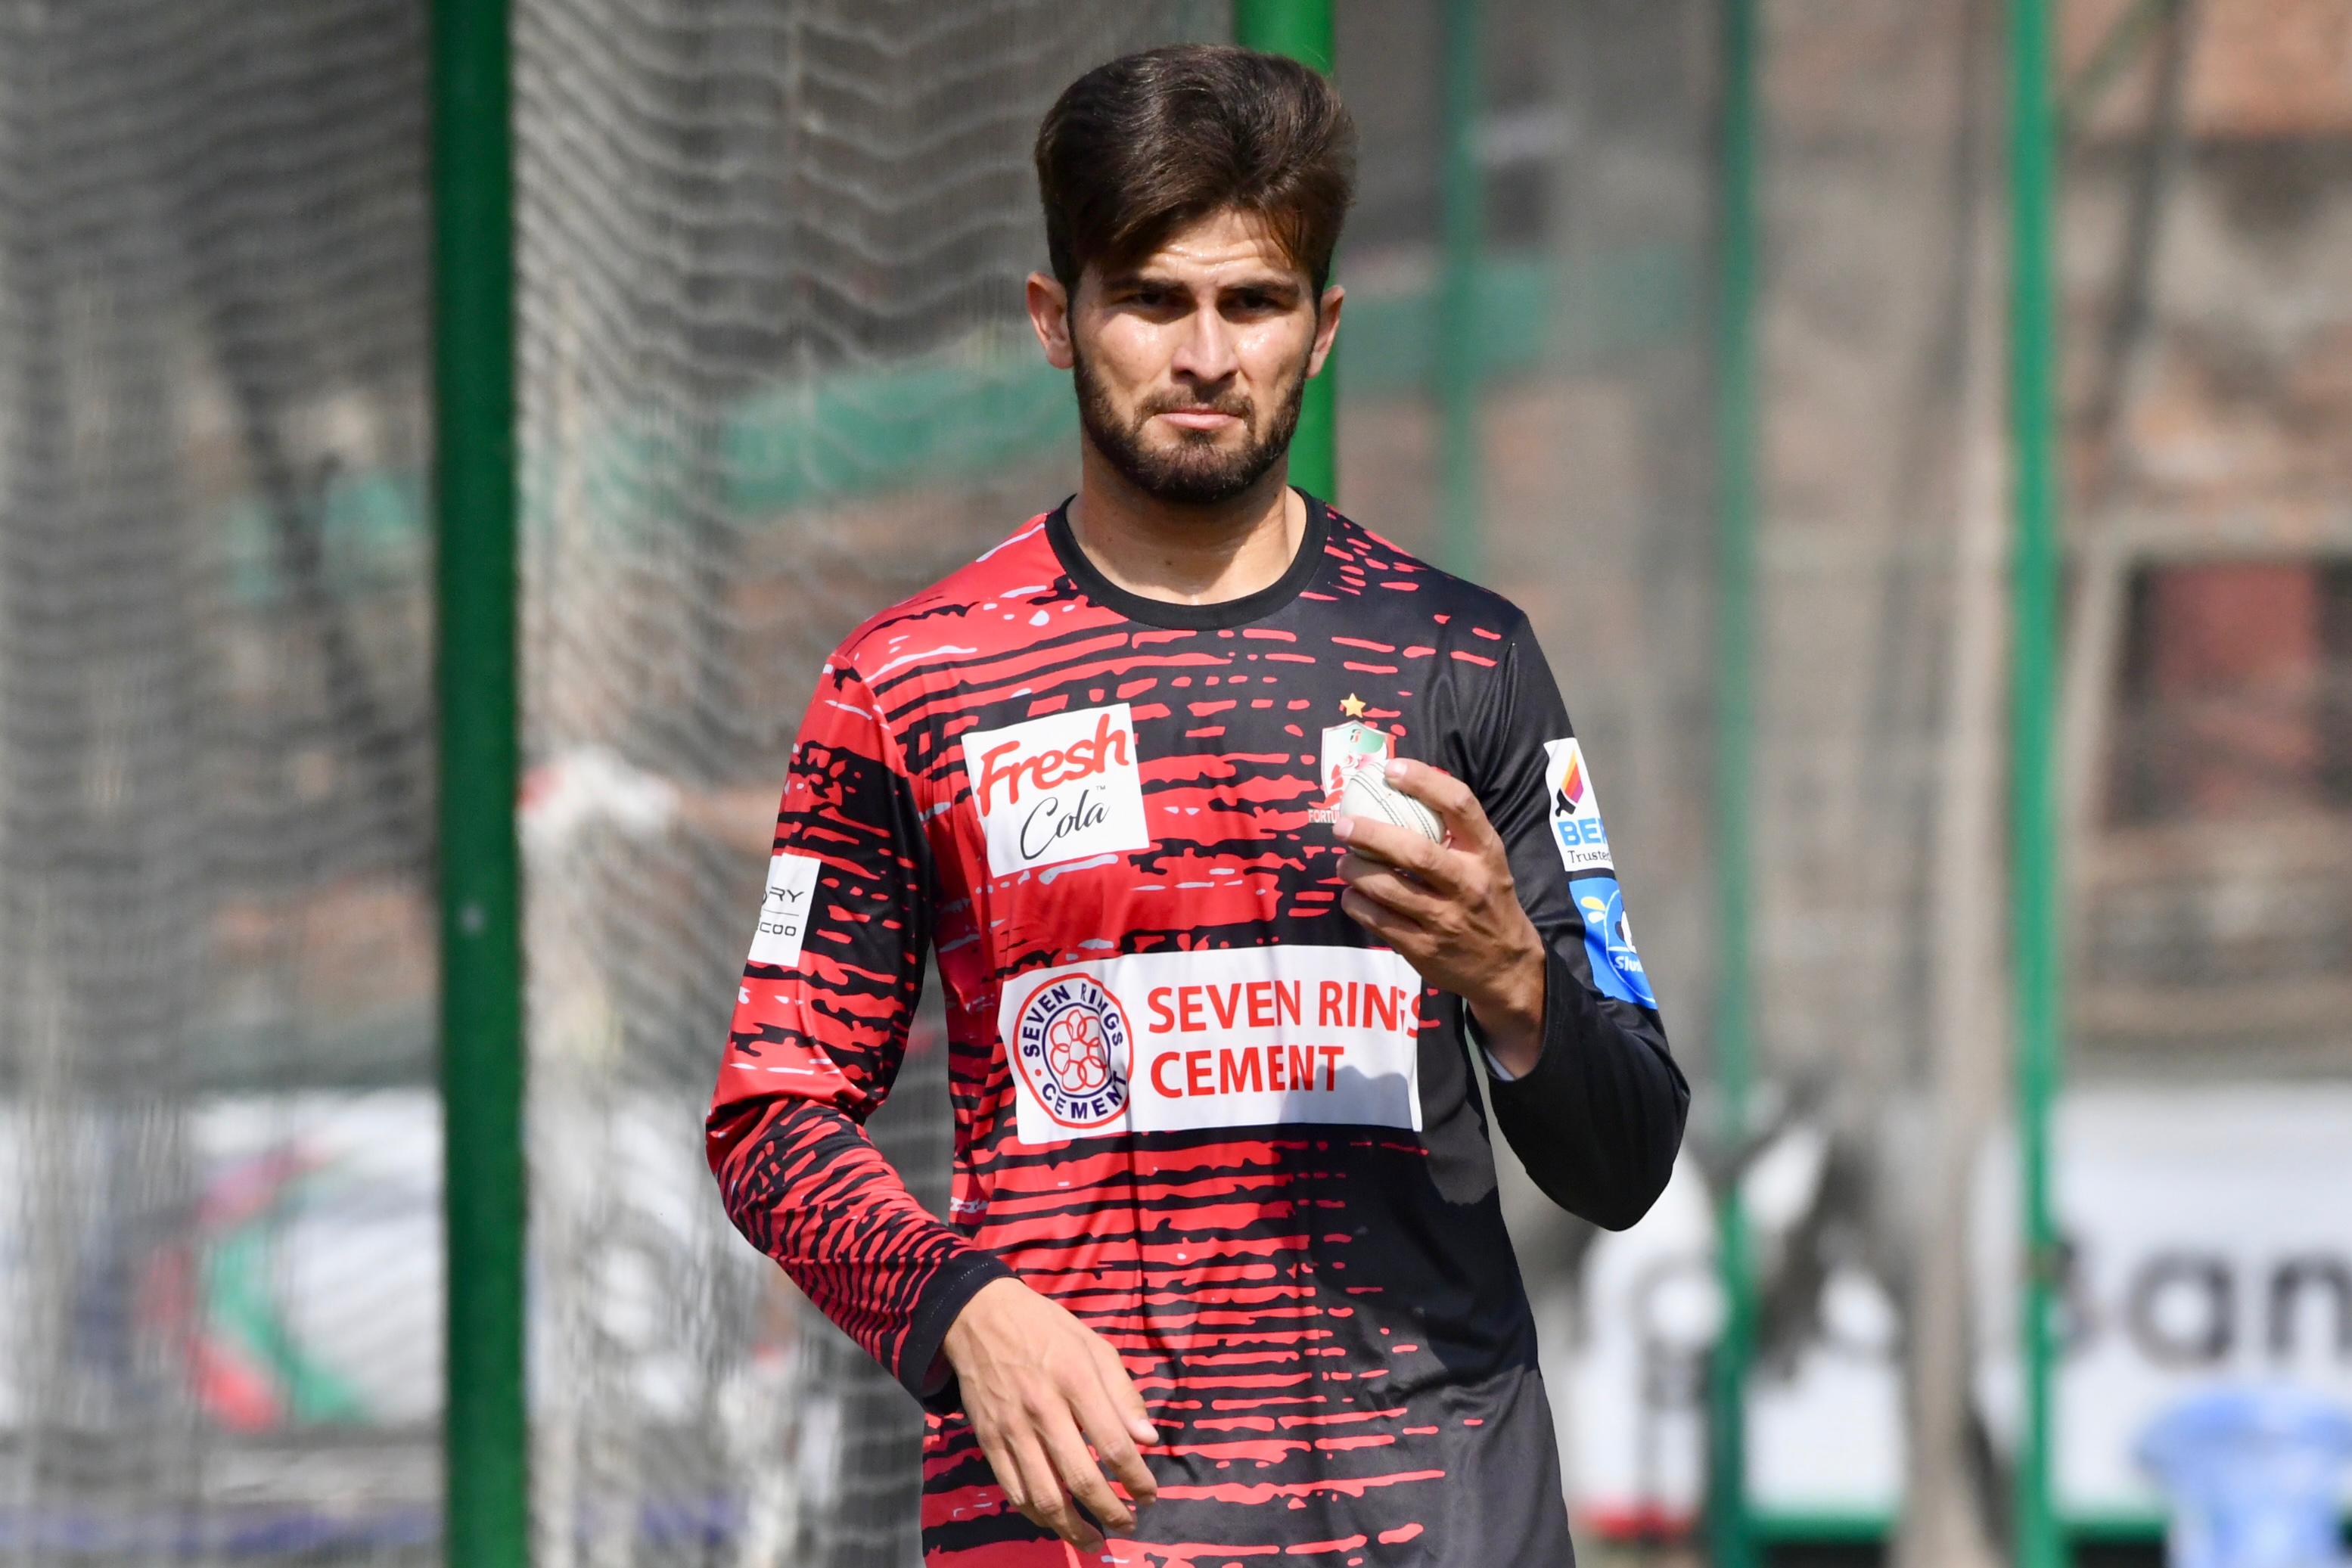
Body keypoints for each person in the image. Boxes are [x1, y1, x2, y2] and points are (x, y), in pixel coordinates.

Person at [707, 44, 1688, 1563]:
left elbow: (1628, 1153)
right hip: (1087, 1519)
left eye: (1255, 302)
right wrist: (961, 1308)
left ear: (1324, 327)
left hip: (1433, 1519)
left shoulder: (1462, 657)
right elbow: (772, 1116)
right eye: (1155, 299)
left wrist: (1510, 975)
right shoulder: (908, 685)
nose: (1206, 355)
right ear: (1058, 319)